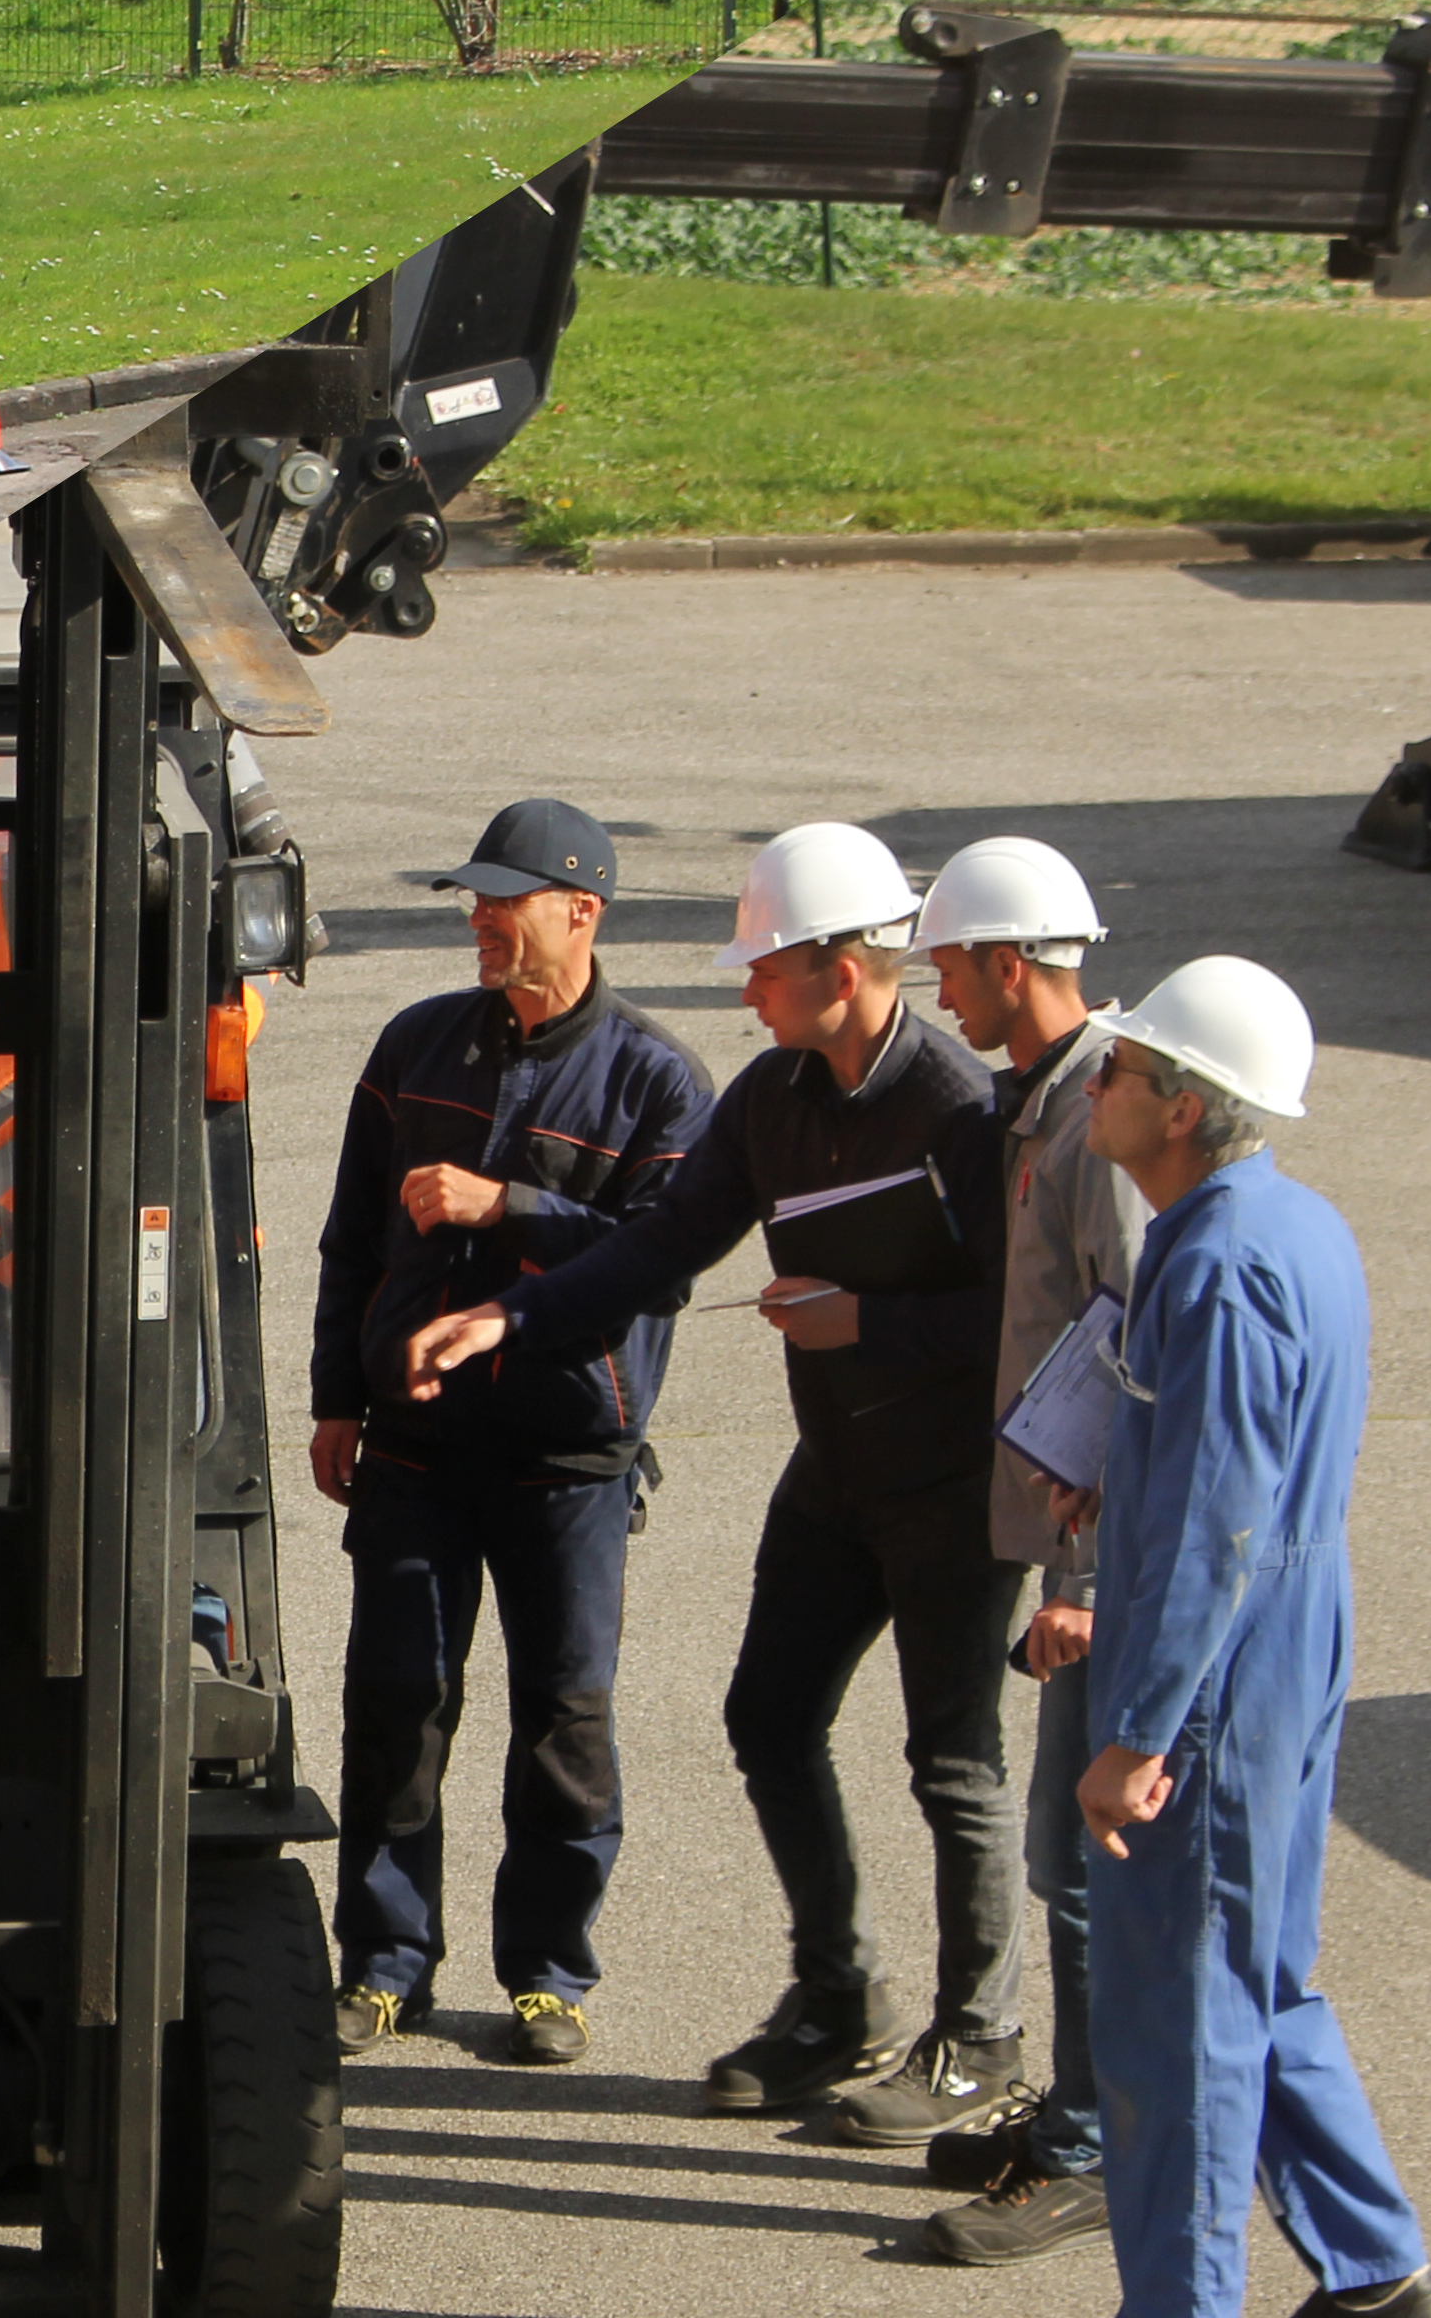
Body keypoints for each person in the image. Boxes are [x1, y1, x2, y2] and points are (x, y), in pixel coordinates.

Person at [401, 822, 1018, 2117]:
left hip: (953, 1490)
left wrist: (870, 1324)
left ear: (839, 972)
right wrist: (513, 1314)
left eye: (762, 968)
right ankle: (839, 1997)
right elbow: (661, 1248)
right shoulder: (771, 1098)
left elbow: (1035, 1320)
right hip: (836, 1473)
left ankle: (981, 2039)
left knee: (953, 1765)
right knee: (770, 1720)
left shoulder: (959, 1112)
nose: (741, 990)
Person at [306, 799, 713, 2068]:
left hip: (566, 1461)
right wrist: (334, 1393)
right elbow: (351, 1239)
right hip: (417, 1445)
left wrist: (509, 1203)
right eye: (473, 899)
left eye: (503, 899)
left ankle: (546, 1973)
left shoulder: (658, 1078)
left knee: (563, 1718)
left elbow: (663, 1262)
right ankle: (383, 1963)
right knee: (394, 1703)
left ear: (579, 910)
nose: (479, 919)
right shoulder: (415, 1044)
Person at [1067, 958, 1431, 2318]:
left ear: (1180, 1110)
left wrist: (1137, 1730)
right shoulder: (1291, 1224)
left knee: (1184, 2028)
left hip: (1216, 1667)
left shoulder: (1216, 1262)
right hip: (1290, 1636)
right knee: (1258, 1976)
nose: (1096, 1083)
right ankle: (1377, 2267)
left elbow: (1220, 1524)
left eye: (1120, 1069)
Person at [888, 838, 1146, 2263]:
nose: (942, 991)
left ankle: (1098, 2146)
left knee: (1079, 1857)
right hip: (1067, 1544)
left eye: (951, 965)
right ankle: (1078, 2115)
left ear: (1006, 961)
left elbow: (1126, 1354)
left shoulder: (1098, 1117)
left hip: (1095, 1569)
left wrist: (1084, 1587)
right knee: (1067, 1857)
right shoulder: (1045, 1102)